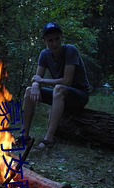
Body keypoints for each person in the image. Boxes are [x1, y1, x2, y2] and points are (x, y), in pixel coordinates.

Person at [17, 21, 91, 149]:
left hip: (79, 95)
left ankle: (49, 138)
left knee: (59, 88)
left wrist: (40, 81)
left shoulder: (70, 50)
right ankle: (24, 136)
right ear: (45, 41)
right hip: (60, 94)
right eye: (50, 40)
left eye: (57, 39)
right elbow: (37, 78)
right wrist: (35, 85)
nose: (55, 43)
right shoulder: (44, 54)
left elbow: (67, 81)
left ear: (61, 37)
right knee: (29, 91)